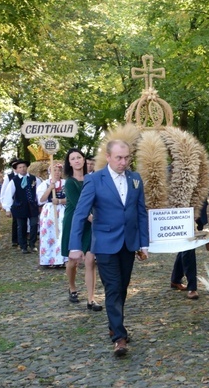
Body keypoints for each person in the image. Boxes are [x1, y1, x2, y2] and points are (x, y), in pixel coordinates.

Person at [69, 140, 149, 357]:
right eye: (119, 158)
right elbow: (79, 214)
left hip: (129, 243)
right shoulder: (95, 180)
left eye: (127, 158)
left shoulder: (135, 179)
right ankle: (119, 337)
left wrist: (143, 243)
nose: (124, 162)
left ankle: (115, 325)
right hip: (104, 243)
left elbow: (141, 211)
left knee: (122, 287)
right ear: (108, 156)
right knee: (113, 287)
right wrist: (75, 246)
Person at [61, 149, 101, 311]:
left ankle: (91, 299)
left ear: (84, 160)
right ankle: (72, 287)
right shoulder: (70, 182)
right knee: (73, 262)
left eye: (79, 157)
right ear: (69, 163)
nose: (77, 160)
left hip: (91, 222)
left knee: (90, 260)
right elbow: (79, 206)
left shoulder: (92, 179)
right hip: (75, 222)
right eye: (73, 158)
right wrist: (95, 220)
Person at [3, 159, 41, 254]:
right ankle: (23, 246)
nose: (22, 169)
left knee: (34, 225)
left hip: (32, 206)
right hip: (20, 206)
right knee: (22, 226)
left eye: (24, 167)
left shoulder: (34, 179)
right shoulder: (14, 181)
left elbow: (39, 192)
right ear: (17, 169)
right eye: (20, 167)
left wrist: (40, 204)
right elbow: (8, 194)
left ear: (27, 167)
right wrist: (7, 208)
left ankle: (32, 244)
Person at [37, 163, 67, 267]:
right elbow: (41, 200)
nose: (57, 172)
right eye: (55, 170)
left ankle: (62, 259)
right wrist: (50, 188)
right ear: (50, 172)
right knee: (49, 235)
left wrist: (60, 201)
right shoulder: (45, 184)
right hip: (49, 212)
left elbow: (71, 198)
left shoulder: (65, 183)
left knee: (62, 233)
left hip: (62, 210)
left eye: (59, 170)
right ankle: (49, 259)